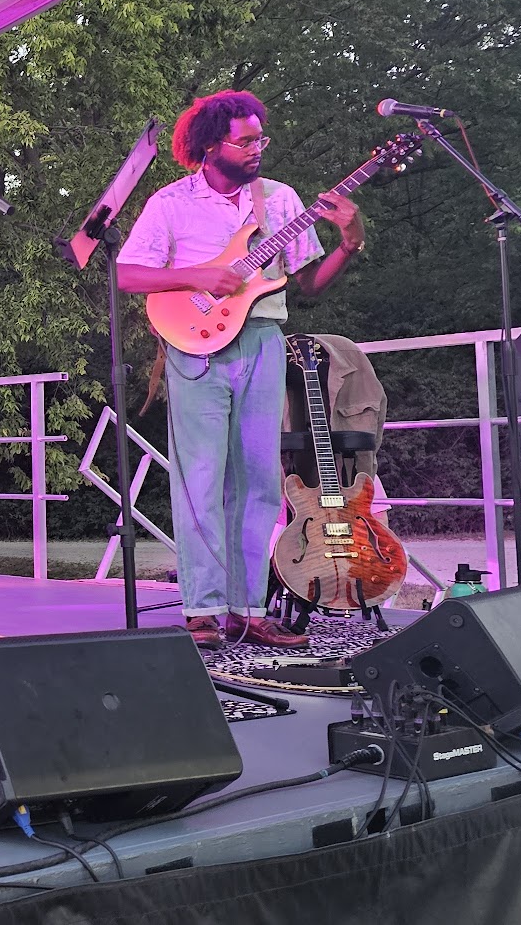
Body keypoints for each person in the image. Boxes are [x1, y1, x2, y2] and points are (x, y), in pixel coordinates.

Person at [117, 90, 366, 649]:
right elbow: (128, 274)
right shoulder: (170, 203)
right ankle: (201, 610)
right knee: (200, 479)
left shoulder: (279, 201)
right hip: (195, 345)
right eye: (246, 140)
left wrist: (349, 242)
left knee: (258, 481)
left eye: (261, 139)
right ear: (209, 145)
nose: (257, 149)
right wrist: (200, 277)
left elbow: (307, 285)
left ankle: (248, 609)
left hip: (262, 341)